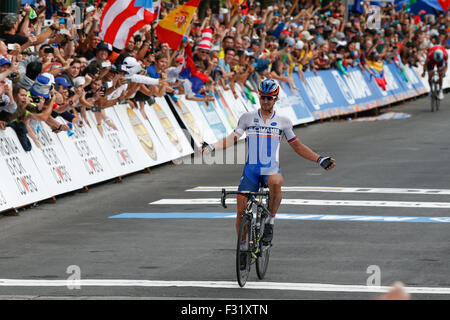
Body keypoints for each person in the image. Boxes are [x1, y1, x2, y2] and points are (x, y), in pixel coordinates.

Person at [202, 79, 336, 268]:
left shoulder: (283, 122)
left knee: (276, 181)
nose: (265, 101)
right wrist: (212, 147)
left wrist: (319, 159)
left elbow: (297, 146)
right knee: (240, 212)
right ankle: (242, 248)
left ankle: (270, 222)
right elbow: (233, 137)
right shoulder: (247, 117)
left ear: (276, 99)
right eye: (263, 98)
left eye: (269, 98)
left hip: (270, 169)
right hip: (251, 170)